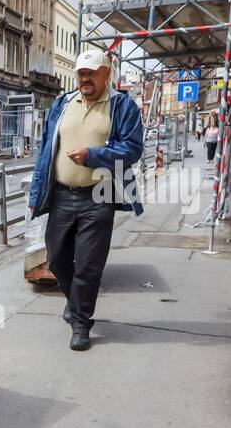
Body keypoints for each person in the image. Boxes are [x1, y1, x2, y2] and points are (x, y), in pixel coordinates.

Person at [28, 49, 145, 351]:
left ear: (107, 73)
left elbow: (131, 149)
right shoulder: (61, 104)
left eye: (91, 72)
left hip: (99, 196)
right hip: (62, 196)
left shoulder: (122, 106)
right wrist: (36, 192)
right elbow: (45, 152)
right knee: (56, 259)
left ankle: (80, 322)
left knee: (89, 266)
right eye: (81, 72)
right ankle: (75, 302)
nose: (84, 78)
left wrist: (93, 156)